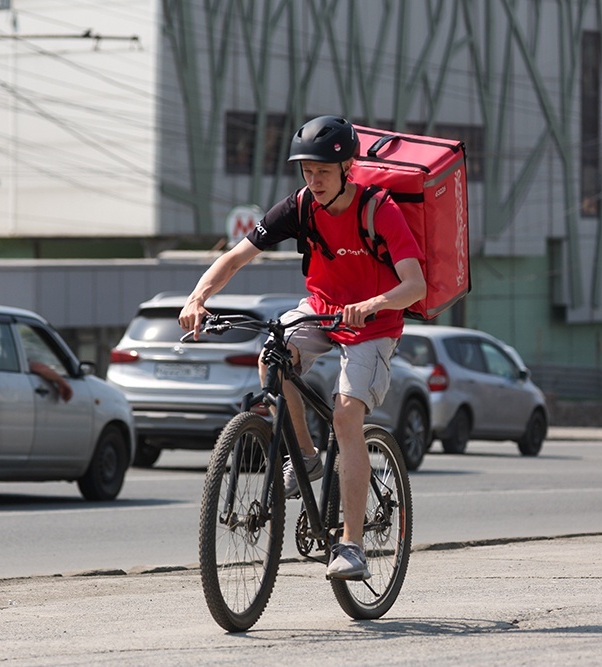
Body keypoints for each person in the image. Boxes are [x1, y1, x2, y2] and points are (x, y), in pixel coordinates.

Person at [178, 115, 426, 580]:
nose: (313, 181)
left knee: (347, 414)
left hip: (375, 324)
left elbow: (414, 284)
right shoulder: (299, 207)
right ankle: (307, 458)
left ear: (348, 167)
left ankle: (352, 546)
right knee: (271, 358)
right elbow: (236, 257)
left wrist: (371, 304)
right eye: (306, 171)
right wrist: (198, 298)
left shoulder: (379, 210)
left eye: (323, 172)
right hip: (320, 310)